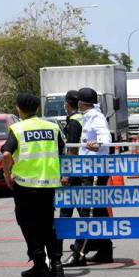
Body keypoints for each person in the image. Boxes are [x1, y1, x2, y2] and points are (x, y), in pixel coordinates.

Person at [1, 92, 65, 277]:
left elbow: (6, 155)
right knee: (48, 224)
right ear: (37, 108)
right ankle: (57, 263)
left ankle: (39, 263)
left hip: (25, 185)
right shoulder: (52, 127)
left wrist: (7, 175)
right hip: (48, 183)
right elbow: (61, 150)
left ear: (18, 109)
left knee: (28, 224)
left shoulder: (17, 128)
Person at [63, 87, 114, 266]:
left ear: (80, 103)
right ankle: (105, 249)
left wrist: (98, 145)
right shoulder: (89, 115)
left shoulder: (95, 117)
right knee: (98, 210)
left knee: (88, 210)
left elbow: (106, 138)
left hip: (94, 170)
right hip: (88, 169)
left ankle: (79, 253)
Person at [56, 90, 89, 266]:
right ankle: (99, 247)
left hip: (76, 174)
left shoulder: (75, 122)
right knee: (86, 211)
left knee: (68, 212)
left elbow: (73, 150)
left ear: (68, 104)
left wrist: (67, 173)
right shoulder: (84, 118)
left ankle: (74, 253)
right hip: (84, 172)